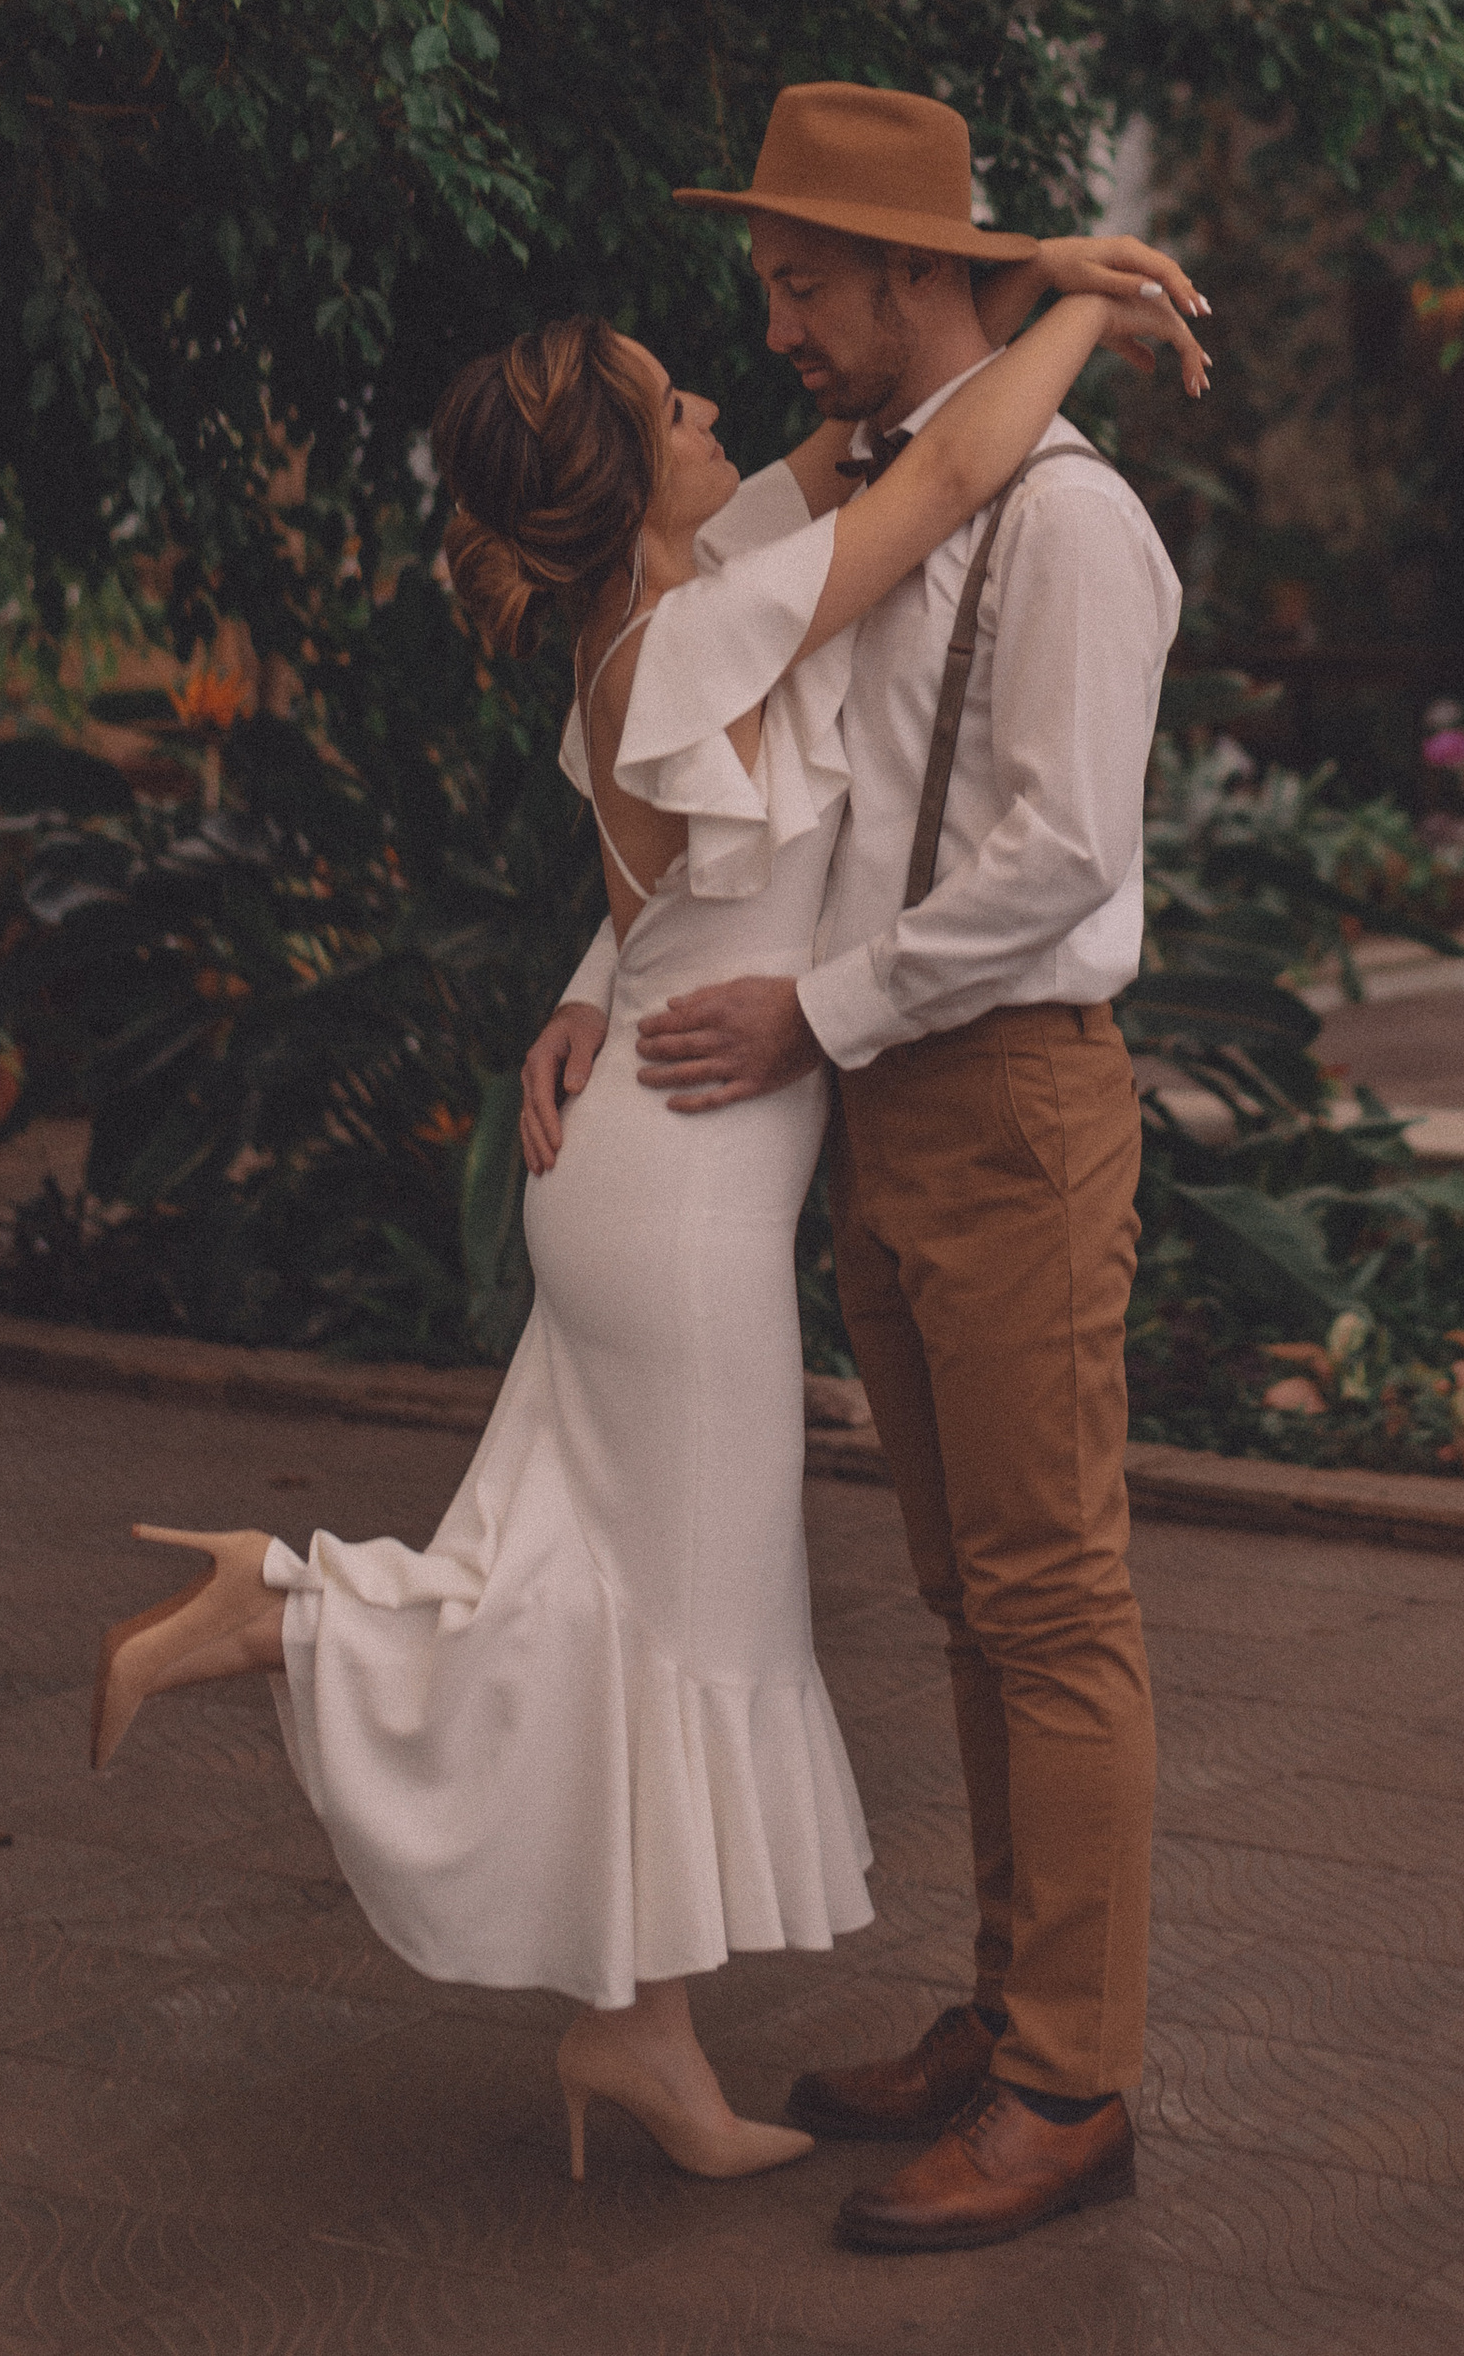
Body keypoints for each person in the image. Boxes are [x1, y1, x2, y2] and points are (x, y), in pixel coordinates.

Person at [83, 245, 1206, 2197]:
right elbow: (931, 475)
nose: (732, 403)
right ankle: (283, 1614)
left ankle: (643, 2035)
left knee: (647, 1608)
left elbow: (875, 463)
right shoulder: (705, 626)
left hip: (661, 1157)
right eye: (682, 403)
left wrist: (591, 987)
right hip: (680, 1191)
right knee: (673, 1625)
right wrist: (1080, 304)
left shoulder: (671, 606)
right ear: (629, 478)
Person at [528, 82, 1192, 2254]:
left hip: (1001, 1090)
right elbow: (688, 780)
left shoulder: (1064, 522)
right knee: (964, 1600)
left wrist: (812, 1014)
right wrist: (584, 985)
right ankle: (1008, 2014)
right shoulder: (851, 502)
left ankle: (1070, 2083)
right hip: (883, 1109)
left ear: (918, 274)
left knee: (1051, 1597)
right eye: (764, 288)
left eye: (803, 282)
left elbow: (1060, 861)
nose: (778, 322)